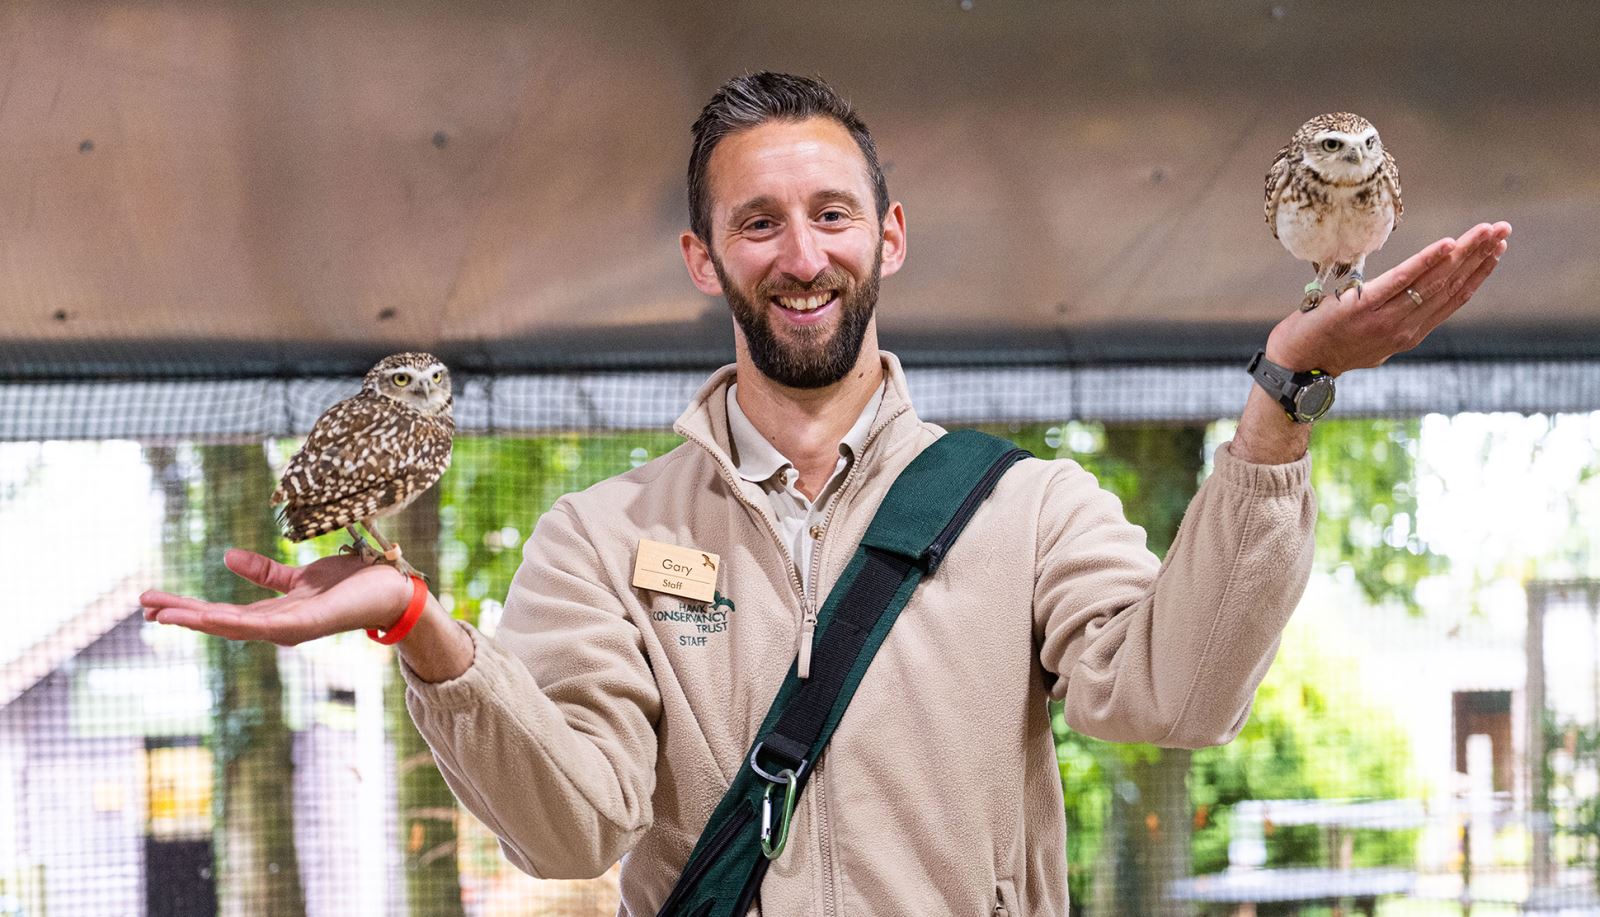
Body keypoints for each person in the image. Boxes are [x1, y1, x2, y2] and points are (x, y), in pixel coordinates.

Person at [142, 72, 1511, 915]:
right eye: (759, 222)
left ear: (888, 237)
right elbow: (574, 823)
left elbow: (1180, 694)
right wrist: (425, 631)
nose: (803, 255)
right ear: (704, 258)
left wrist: (1281, 394)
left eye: (833, 214)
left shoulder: (1026, 506)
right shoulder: (605, 538)